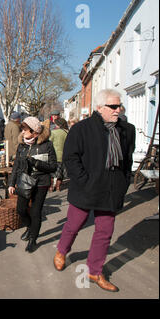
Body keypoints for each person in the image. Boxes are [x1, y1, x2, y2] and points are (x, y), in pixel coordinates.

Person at [53, 89, 135, 292]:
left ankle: (94, 270)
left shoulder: (127, 130)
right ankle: (62, 250)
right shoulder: (82, 129)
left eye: (119, 106)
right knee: (74, 224)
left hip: (112, 189)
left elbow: (128, 158)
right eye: (113, 106)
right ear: (99, 108)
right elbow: (71, 159)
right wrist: (84, 181)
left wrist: (125, 181)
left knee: (105, 231)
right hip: (86, 188)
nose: (118, 110)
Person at [8, 117, 57, 253]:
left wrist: (36, 163)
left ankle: (33, 240)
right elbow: (16, 166)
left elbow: (53, 166)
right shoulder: (22, 146)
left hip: (41, 183)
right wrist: (11, 183)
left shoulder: (47, 145)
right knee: (21, 210)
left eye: (25, 129)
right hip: (25, 181)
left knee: (36, 212)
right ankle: (30, 227)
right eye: (22, 129)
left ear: (35, 132)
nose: (23, 132)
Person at [49, 118, 69, 192]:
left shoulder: (53, 132)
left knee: (52, 173)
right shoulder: (67, 132)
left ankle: (51, 187)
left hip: (54, 156)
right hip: (64, 156)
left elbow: (49, 143)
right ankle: (58, 187)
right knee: (60, 174)